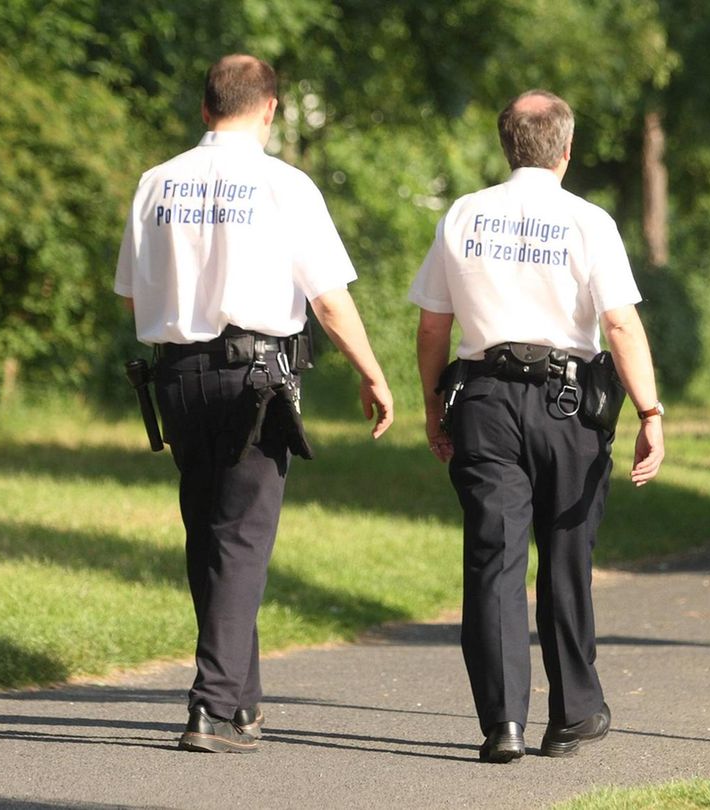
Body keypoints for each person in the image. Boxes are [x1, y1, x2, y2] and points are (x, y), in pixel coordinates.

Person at [114, 54, 393, 753]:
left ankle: (241, 703)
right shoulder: (283, 184)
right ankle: (209, 708)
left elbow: (133, 297)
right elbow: (329, 299)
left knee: (209, 532)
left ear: (205, 107)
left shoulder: (156, 182)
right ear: (269, 108)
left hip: (176, 377)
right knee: (240, 539)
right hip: (255, 379)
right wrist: (371, 372)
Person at [410, 89, 664, 763]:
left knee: (494, 556)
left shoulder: (464, 214)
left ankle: (504, 723)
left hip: (484, 401)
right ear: (566, 150)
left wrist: (433, 408)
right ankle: (574, 713)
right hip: (568, 404)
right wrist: (650, 411)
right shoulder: (588, 221)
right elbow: (619, 323)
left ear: (507, 145)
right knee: (566, 556)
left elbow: (434, 326)